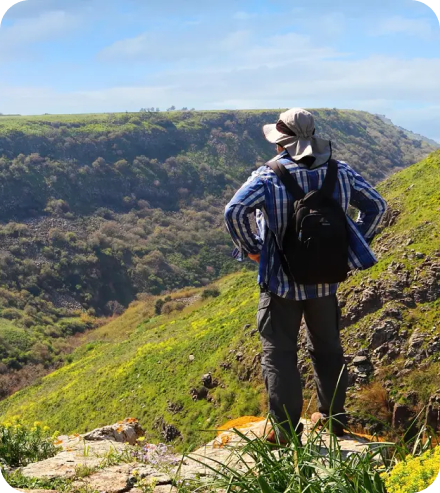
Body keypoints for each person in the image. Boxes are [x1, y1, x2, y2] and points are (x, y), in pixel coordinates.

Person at [224, 108, 387, 442]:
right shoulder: (341, 172)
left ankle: (284, 430)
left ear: (281, 143)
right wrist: (352, 241)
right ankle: (333, 421)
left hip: (280, 282)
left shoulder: (268, 176)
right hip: (326, 280)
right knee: (328, 349)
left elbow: (235, 210)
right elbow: (377, 206)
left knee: (280, 353)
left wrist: (253, 249)